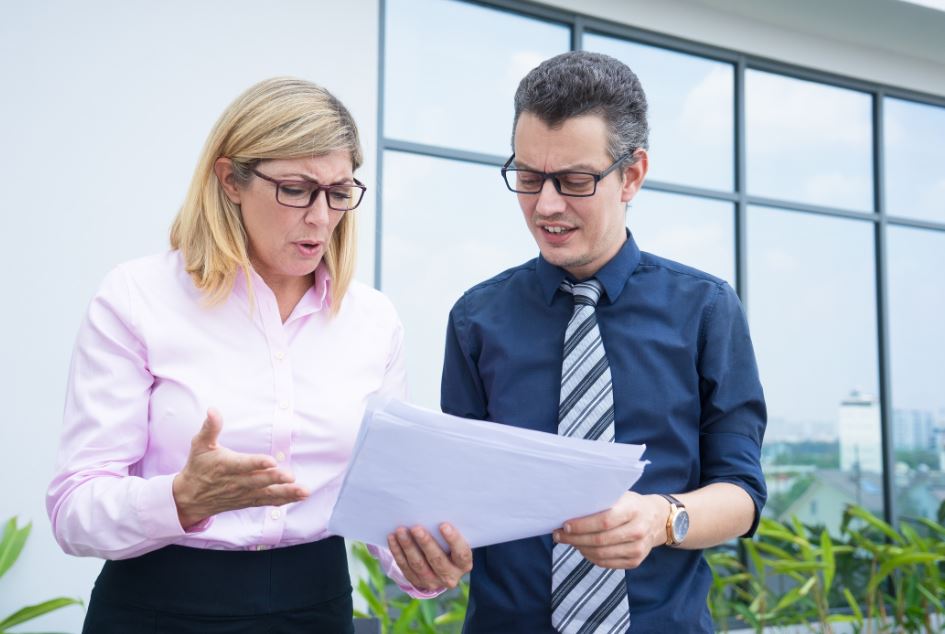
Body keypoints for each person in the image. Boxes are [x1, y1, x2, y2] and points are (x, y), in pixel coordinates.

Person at [46, 77, 469, 633]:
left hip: (316, 608)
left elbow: (382, 501)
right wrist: (182, 497)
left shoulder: (372, 321)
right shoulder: (136, 297)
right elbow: (74, 512)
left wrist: (422, 563)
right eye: (296, 189)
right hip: (157, 609)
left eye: (340, 192)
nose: (321, 217)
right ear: (230, 180)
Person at [438, 51, 767, 633]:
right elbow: (457, 495)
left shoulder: (706, 310)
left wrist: (664, 518)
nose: (546, 205)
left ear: (632, 174)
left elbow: (742, 494)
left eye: (574, 181)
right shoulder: (475, 319)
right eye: (529, 177)